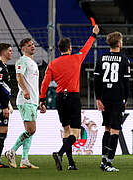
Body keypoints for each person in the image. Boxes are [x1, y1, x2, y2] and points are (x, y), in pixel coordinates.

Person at [39, 25, 99, 171]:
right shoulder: (76, 58)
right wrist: (94, 35)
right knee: (76, 134)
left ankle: (71, 164)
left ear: (59, 49)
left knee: (66, 131)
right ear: (70, 48)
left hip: (60, 98)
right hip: (73, 97)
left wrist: (42, 100)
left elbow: (45, 83)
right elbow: (86, 48)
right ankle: (59, 153)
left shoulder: (53, 64)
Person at [94, 31, 131, 172]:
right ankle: (109, 163)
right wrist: (125, 99)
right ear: (119, 43)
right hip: (117, 99)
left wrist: (98, 98)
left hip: (104, 98)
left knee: (107, 129)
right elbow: (126, 83)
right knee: (115, 130)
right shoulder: (124, 60)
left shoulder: (101, 59)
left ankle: (103, 159)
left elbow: (96, 81)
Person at [5, 38, 39, 169]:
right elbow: (18, 76)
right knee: (31, 130)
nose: (32, 47)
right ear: (23, 48)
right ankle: (11, 151)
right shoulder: (22, 61)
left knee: (30, 131)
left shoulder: (32, 62)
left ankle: (24, 159)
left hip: (33, 101)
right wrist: (25, 90)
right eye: (29, 45)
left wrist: (39, 101)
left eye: (33, 45)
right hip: (26, 100)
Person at [0, 43, 13, 168]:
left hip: (2, 103)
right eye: (9, 50)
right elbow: (0, 87)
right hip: (0, 105)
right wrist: (4, 106)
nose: (11, 52)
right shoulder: (0, 67)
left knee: (2, 132)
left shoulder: (3, 66)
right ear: (3, 52)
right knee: (2, 132)